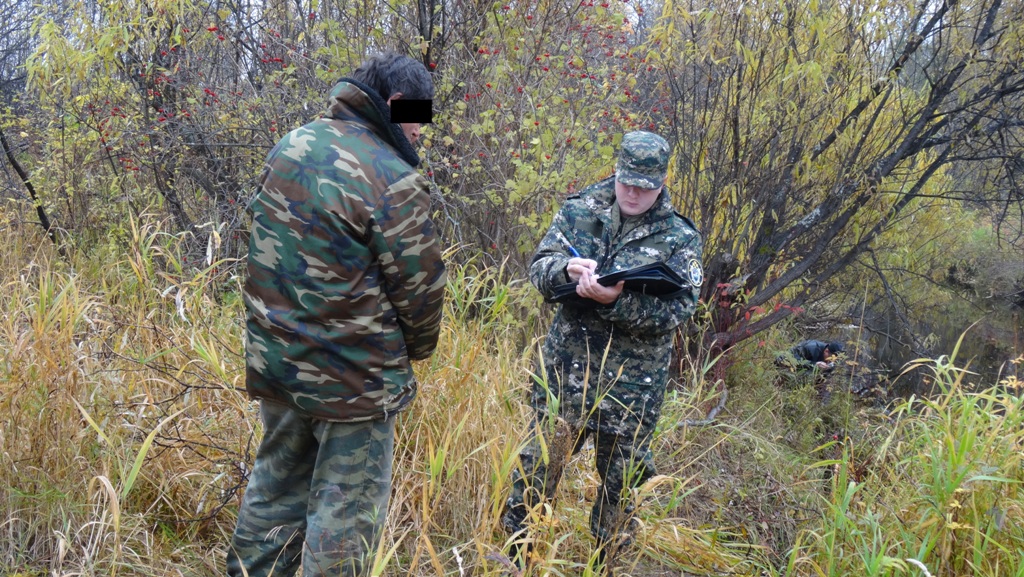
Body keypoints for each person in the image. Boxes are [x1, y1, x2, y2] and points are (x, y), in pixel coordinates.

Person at [227, 53, 447, 577]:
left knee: (275, 491)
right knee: (345, 521)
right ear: (394, 105)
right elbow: (421, 294)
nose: (420, 132)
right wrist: (412, 353)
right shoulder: (391, 177)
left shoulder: (294, 143)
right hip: (354, 382)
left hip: (278, 363)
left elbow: (259, 248)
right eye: (418, 117)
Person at [500, 131, 703, 569]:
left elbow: (680, 309)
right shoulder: (579, 210)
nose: (632, 192)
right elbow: (539, 269)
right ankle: (515, 564)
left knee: (620, 493)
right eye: (626, 180)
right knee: (533, 478)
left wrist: (618, 302)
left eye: (645, 186)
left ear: (663, 181)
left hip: (631, 392)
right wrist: (564, 270)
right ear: (617, 170)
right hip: (566, 378)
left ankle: (605, 566)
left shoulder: (680, 237)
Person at [777, 340, 845, 372]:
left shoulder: (832, 361)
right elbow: (794, 361)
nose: (833, 360)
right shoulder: (810, 348)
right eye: (832, 357)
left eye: (836, 358)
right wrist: (815, 364)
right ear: (826, 351)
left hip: (801, 367)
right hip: (784, 362)